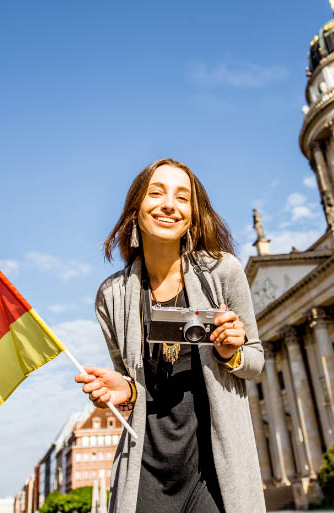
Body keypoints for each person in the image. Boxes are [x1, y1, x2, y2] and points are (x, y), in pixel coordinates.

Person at [75, 158, 266, 513]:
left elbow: (255, 363)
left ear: (193, 214)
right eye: (156, 192)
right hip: (148, 468)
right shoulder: (111, 296)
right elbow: (135, 387)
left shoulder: (223, 271)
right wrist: (124, 390)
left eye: (182, 197)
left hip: (215, 467)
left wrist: (231, 353)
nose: (169, 205)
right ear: (136, 209)